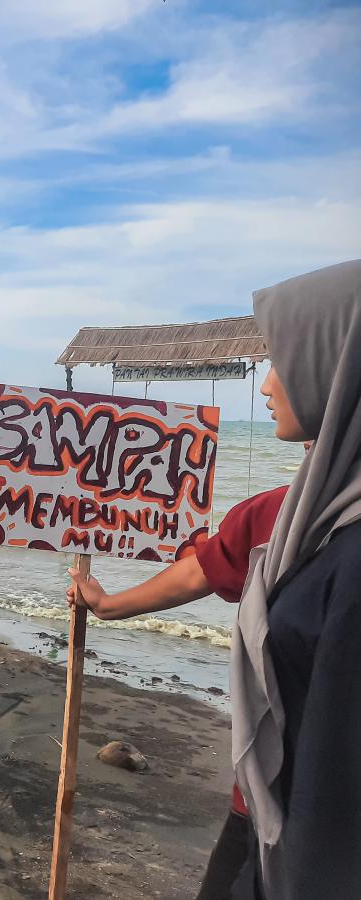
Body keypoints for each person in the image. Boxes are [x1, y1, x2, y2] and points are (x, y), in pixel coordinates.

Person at [68, 483, 288, 899]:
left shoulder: (283, 510)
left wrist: (109, 606)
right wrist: (107, 606)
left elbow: (199, 571)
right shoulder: (276, 511)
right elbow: (202, 569)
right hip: (272, 784)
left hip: (276, 785)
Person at [230, 260, 361, 899]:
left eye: (280, 360)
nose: (266, 385)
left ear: (336, 367)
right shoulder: (320, 517)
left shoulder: (351, 552)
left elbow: (338, 782)